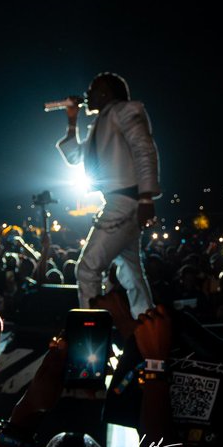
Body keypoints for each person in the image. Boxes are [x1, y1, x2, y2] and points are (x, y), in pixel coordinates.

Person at [57, 72, 160, 316]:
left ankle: (93, 337)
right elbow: (74, 157)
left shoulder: (125, 111)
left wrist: (146, 196)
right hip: (122, 201)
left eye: (92, 89)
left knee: (87, 269)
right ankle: (149, 330)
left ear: (105, 93)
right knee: (132, 274)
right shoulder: (101, 122)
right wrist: (73, 121)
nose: (87, 94)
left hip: (124, 201)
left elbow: (144, 149)